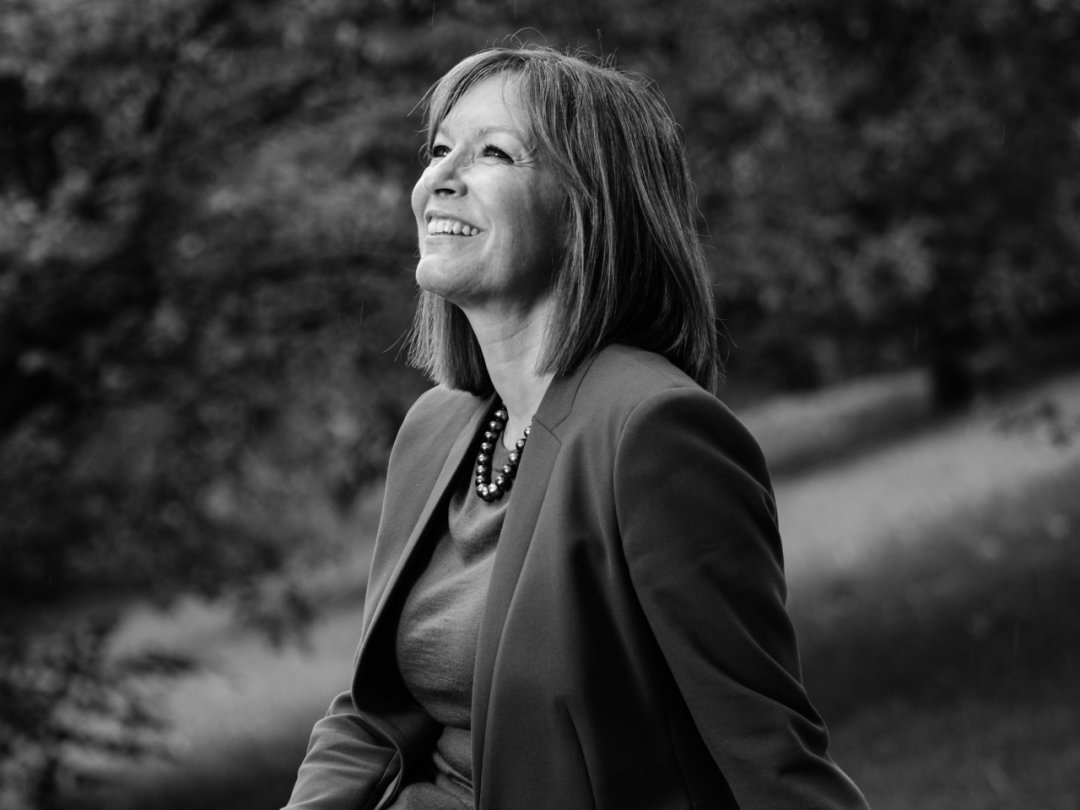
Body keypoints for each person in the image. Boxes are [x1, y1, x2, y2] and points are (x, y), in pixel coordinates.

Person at [285, 45, 868, 810]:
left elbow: (767, 755)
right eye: (437, 149)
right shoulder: (436, 429)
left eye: (493, 151)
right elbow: (372, 713)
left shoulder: (654, 432)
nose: (439, 179)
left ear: (587, 208)